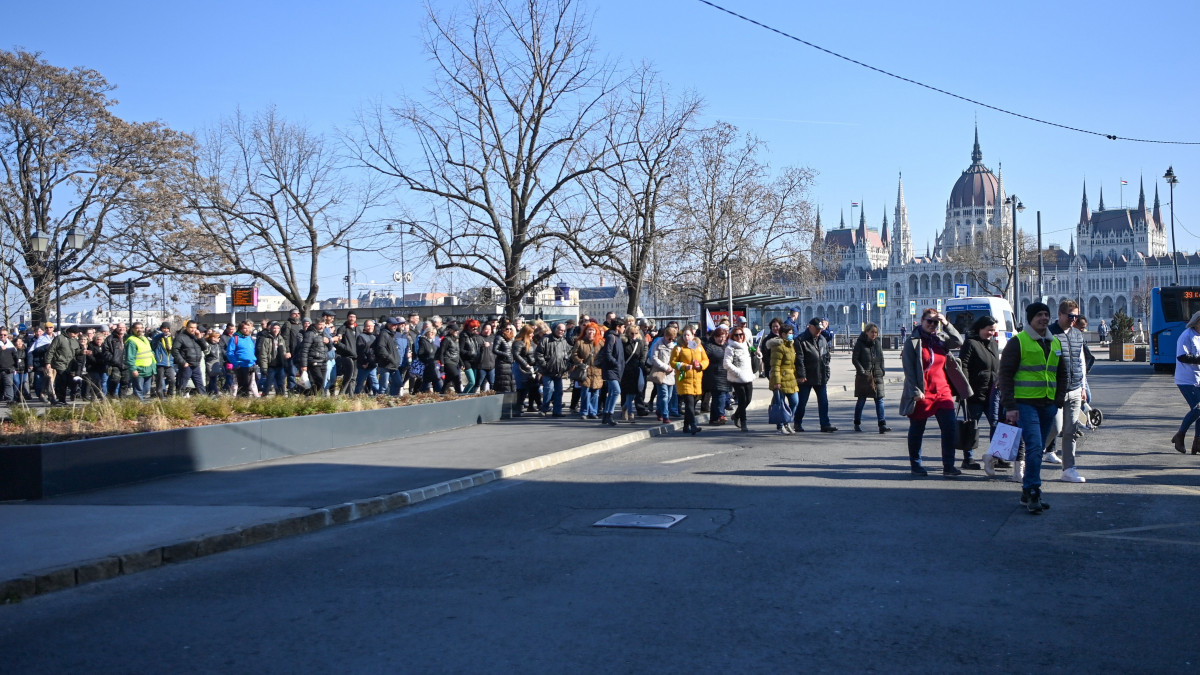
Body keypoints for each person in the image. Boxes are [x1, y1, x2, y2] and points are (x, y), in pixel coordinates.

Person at [999, 301, 1068, 514]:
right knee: (1035, 447)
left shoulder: (1054, 341)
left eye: (1046, 314)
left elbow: (1062, 373)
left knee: (1037, 448)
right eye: (1039, 315)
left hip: (1047, 405)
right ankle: (1033, 490)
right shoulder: (1019, 342)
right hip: (1025, 403)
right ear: (1030, 318)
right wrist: (1010, 405)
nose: (1044, 318)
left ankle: (1027, 491)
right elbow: (1005, 375)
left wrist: (1058, 400)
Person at [899, 308, 970, 477]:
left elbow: (958, 341)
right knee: (917, 428)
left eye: (935, 322)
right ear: (921, 321)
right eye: (929, 321)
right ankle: (916, 464)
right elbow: (909, 369)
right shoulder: (913, 341)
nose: (932, 325)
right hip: (923, 391)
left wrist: (946, 323)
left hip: (942, 390)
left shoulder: (940, 338)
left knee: (949, 428)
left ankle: (948, 465)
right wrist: (915, 391)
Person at [1045, 300, 1088, 482]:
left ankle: (1069, 469)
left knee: (1071, 430)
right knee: (1055, 427)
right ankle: (1027, 453)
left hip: (1075, 388)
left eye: (1076, 316)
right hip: (1055, 389)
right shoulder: (1049, 334)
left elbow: (1081, 360)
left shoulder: (1077, 334)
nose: (1073, 320)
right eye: (1070, 316)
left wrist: (1083, 385)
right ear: (1060, 315)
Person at [960, 315, 1007, 476]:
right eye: (989, 330)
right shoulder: (970, 343)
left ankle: (997, 455)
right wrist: (964, 389)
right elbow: (963, 366)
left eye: (994, 330)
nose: (992, 333)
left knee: (998, 425)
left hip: (992, 393)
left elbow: (996, 366)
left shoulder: (993, 344)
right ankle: (968, 458)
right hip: (974, 393)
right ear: (980, 328)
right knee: (972, 427)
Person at [795, 317, 836, 433]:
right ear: (810, 327)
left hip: (820, 375)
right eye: (817, 329)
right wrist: (801, 375)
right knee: (802, 402)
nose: (819, 331)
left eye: (821, 329)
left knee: (823, 402)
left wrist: (827, 373)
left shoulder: (822, 339)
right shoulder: (801, 340)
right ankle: (797, 423)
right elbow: (799, 359)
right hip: (806, 377)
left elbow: (826, 357)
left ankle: (825, 424)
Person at [851, 323, 890, 434]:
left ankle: (882, 425)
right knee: (861, 400)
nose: (874, 334)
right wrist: (862, 370)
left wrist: (882, 370)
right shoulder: (860, 343)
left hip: (877, 375)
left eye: (876, 332)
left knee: (879, 400)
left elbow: (881, 358)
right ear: (866, 332)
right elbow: (855, 359)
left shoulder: (877, 343)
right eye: (872, 332)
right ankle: (857, 423)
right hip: (865, 376)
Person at [670, 325, 708, 435]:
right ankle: (694, 425)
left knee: (691, 405)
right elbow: (673, 362)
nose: (686, 337)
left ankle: (686, 426)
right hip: (684, 380)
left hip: (696, 380)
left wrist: (700, 366)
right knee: (689, 404)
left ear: (693, 335)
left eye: (688, 335)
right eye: (685, 335)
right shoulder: (678, 348)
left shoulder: (698, 347)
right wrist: (683, 366)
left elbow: (705, 360)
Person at [1173, 310, 1200, 454]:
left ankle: (1198, 442)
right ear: (1196, 323)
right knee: (1198, 409)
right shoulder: (1186, 336)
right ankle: (1180, 435)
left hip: (1198, 377)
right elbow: (1182, 356)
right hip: (1186, 379)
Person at [769, 323, 800, 434]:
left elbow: (792, 363)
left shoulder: (790, 345)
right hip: (781, 379)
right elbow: (775, 365)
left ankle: (787, 422)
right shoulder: (778, 346)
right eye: (790, 333)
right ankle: (780, 425)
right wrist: (777, 381)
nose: (792, 335)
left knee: (795, 401)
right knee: (780, 404)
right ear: (783, 334)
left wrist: (798, 376)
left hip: (791, 378)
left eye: (792, 333)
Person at [595, 317, 626, 426]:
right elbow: (607, 354)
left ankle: (606, 415)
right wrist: (616, 363)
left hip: (616, 370)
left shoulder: (618, 338)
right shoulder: (611, 337)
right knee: (616, 391)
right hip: (611, 369)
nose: (624, 329)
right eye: (623, 327)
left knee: (612, 392)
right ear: (618, 327)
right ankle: (610, 414)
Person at [724, 324, 755, 431]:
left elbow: (752, 355)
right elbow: (726, 364)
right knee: (742, 400)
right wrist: (737, 371)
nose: (739, 337)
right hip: (737, 378)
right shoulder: (730, 347)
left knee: (748, 399)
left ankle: (736, 415)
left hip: (748, 376)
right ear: (732, 336)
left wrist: (757, 354)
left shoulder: (746, 345)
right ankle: (743, 422)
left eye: (741, 334)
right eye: (736, 335)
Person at [534, 323, 571, 415]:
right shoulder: (546, 339)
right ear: (554, 329)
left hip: (559, 371)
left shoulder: (564, 341)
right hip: (547, 371)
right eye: (560, 329)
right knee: (549, 389)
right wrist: (545, 365)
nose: (562, 332)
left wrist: (566, 366)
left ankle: (557, 411)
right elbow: (538, 353)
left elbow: (568, 354)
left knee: (559, 391)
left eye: (563, 330)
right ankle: (544, 408)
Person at [570, 322, 603, 420]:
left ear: (596, 331)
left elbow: (605, 353)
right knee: (585, 392)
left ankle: (593, 412)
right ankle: (584, 412)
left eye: (593, 330)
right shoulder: (580, 342)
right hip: (584, 370)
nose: (591, 332)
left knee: (595, 393)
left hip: (597, 371)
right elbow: (574, 354)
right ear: (585, 331)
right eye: (589, 330)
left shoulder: (600, 342)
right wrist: (580, 361)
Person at [46, 325, 82, 406]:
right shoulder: (59, 338)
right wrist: (48, 362)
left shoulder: (74, 340)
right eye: (74, 334)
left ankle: (62, 397)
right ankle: (61, 399)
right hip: (60, 363)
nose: (76, 336)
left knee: (70, 382)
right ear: (69, 332)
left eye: (76, 334)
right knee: (62, 381)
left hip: (70, 364)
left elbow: (76, 351)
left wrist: (82, 352)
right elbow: (51, 350)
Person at [648, 325, 678, 424]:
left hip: (671, 373)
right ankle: (665, 415)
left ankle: (660, 410)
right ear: (665, 336)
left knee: (669, 396)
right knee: (664, 394)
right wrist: (665, 366)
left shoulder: (674, 346)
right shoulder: (658, 344)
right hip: (661, 373)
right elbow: (653, 358)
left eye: (672, 339)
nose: (670, 340)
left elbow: (677, 359)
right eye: (669, 338)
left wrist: (673, 367)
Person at [703, 327, 731, 426]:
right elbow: (703, 359)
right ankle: (721, 415)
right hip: (713, 375)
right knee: (720, 395)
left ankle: (714, 418)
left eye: (724, 337)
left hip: (725, 375)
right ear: (714, 337)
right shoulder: (709, 347)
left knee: (717, 397)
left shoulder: (726, 346)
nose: (722, 339)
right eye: (719, 337)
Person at [123, 322, 157, 402]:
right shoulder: (131, 341)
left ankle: (133, 401)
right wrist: (133, 369)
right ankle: (139, 406)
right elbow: (130, 357)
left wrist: (153, 366)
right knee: (138, 390)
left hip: (148, 369)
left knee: (145, 389)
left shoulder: (144, 338)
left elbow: (150, 352)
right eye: (137, 328)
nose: (139, 330)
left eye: (141, 328)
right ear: (133, 329)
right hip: (138, 370)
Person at [619, 321, 645, 423]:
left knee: (636, 392)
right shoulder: (624, 343)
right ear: (628, 333)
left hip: (637, 370)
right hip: (626, 370)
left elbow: (642, 355)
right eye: (632, 333)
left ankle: (625, 406)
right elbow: (622, 356)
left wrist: (641, 365)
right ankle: (630, 412)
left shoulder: (640, 343)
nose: (634, 335)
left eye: (636, 333)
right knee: (629, 393)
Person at [173, 320, 208, 395]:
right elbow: (175, 351)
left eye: (195, 328)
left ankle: (205, 402)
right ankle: (178, 401)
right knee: (182, 386)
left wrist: (200, 338)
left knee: (200, 386)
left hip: (196, 365)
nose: (193, 329)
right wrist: (183, 362)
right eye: (191, 327)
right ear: (187, 328)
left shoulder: (196, 337)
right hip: (186, 365)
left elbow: (204, 348)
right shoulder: (181, 337)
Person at [225, 320, 257, 397]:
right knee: (242, 386)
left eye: (248, 328)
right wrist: (236, 363)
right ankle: (241, 403)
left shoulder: (249, 338)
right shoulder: (234, 338)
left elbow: (251, 351)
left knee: (249, 386)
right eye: (245, 328)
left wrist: (254, 361)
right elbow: (230, 353)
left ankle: (245, 403)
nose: (247, 330)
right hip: (241, 365)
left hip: (251, 365)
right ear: (240, 329)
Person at [297, 320, 329, 395]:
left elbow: (330, 347)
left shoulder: (324, 333)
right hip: (314, 361)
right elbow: (305, 350)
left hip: (323, 361)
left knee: (321, 383)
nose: (322, 327)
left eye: (323, 325)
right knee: (319, 380)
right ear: (315, 325)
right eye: (320, 324)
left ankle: (316, 397)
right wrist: (304, 365)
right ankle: (309, 393)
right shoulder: (310, 334)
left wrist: (329, 341)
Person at [512, 324, 539, 414]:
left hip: (531, 368)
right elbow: (516, 355)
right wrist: (525, 364)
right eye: (531, 333)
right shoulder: (519, 342)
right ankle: (518, 407)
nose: (533, 335)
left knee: (534, 387)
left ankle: (532, 406)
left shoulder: (532, 343)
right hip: (522, 368)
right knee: (522, 388)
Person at [257, 321, 288, 396]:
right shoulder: (266, 339)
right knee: (268, 383)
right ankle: (264, 397)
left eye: (278, 328)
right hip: (271, 365)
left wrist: (285, 358)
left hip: (280, 365)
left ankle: (280, 399)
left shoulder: (281, 339)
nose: (276, 329)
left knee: (281, 383)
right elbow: (263, 354)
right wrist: (264, 367)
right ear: (271, 329)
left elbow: (284, 350)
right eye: (274, 328)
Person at [333, 312, 360, 396]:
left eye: (353, 317)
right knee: (348, 377)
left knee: (354, 377)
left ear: (356, 318)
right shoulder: (342, 329)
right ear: (347, 317)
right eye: (350, 317)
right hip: (347, 356)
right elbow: (337, 343)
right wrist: (348, 350)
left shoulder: (358, 329)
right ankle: (342, 394)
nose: (352, 318)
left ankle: (351, 395)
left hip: (356, 357)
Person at [150, 323, 175, 398]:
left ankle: (170, 395)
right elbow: (154, 341)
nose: (166, 330)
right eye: (164, 328)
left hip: (169, 362)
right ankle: (161, 397)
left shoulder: (170, 338)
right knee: (160, 381)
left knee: (172, 380)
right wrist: (162, 335)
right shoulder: (157, 337)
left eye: (167, 328)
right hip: (160, 362)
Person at [438, 322, 463, 394]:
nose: (456, 332)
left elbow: (457, 352)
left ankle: (442, 393)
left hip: (455, 361)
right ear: (450, 330)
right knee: (456, 377)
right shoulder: (446, 339)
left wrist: (461, 362)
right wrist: (442, 364)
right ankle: (460, 393)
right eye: (455, 330)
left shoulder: (456, 340)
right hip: (448, 361)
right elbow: (441, 352)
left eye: (457, 330)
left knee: (448, 381)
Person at [459, 319, 483, 394]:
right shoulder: (463, 336)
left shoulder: (475, 336)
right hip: (467, 361)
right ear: (468, 327)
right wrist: (470, 353)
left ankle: (471, 396)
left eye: (476, 328)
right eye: (473, 328)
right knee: (472, 381)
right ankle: (462, 395)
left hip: (475, 360)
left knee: (475, 383)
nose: (475, 329)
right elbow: (460, 350)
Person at [493, 324, 516, 394]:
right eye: (507, 329)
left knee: (511, 383)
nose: (509, 330)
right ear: (503, 329)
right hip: (502, 364)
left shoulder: (512, 338)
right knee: (503, 383)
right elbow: (494, 350)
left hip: (511, 363)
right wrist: (505, 354)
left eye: (510, 329)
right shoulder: (499, 337)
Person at [476, 322, 496, 393]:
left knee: (492, 383)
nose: (488, 331)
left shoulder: (493, 338)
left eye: (489, 329)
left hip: (492, 366)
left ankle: (492, 397)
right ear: (482, 329)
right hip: (482, 366)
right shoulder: (479, 338)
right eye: (486, 329)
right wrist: (482, 345)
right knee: (479, 384)